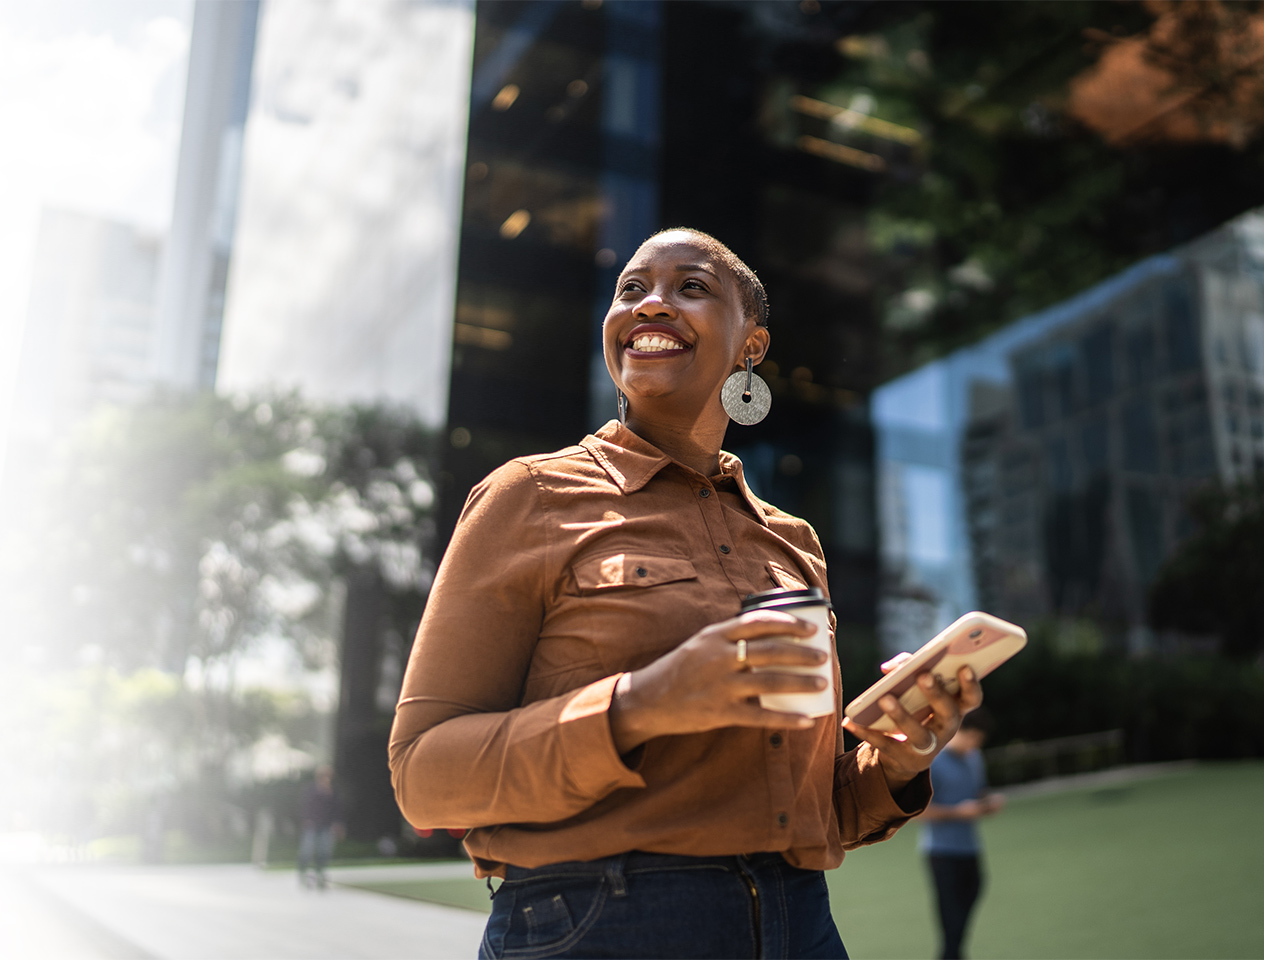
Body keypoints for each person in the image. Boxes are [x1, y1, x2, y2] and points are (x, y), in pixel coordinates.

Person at [388, 229, 979, 959]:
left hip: (801, 925)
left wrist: (895, 761)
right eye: (631, 290)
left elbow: (805, 810)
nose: (651, 305)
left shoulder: (794, 543)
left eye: (690, 287)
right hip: (598, 923)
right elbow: (423, 775)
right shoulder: (529, 496)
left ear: (751, 346)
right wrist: (644, 703)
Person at [918, 708, 1004, 959]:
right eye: (972, 739)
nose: (974, 745)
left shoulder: (974, 758)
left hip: (970, 848)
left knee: (972, 895)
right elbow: (918, 813)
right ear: (958, 732)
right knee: (951, 922)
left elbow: (979, 791)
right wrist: (957, 813)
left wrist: (989, 802)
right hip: (941, 852)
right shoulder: (934, 763)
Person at [298, 765, 340, 890]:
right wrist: (306, 819)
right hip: (312, 825)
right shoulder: (311, 789)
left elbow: (337, 809)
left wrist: (337, 823)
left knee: (324, 851)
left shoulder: (333, 790)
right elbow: (305, 806)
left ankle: (320, 874)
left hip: (326, 825)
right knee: (307, 850)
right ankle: (303, 873)